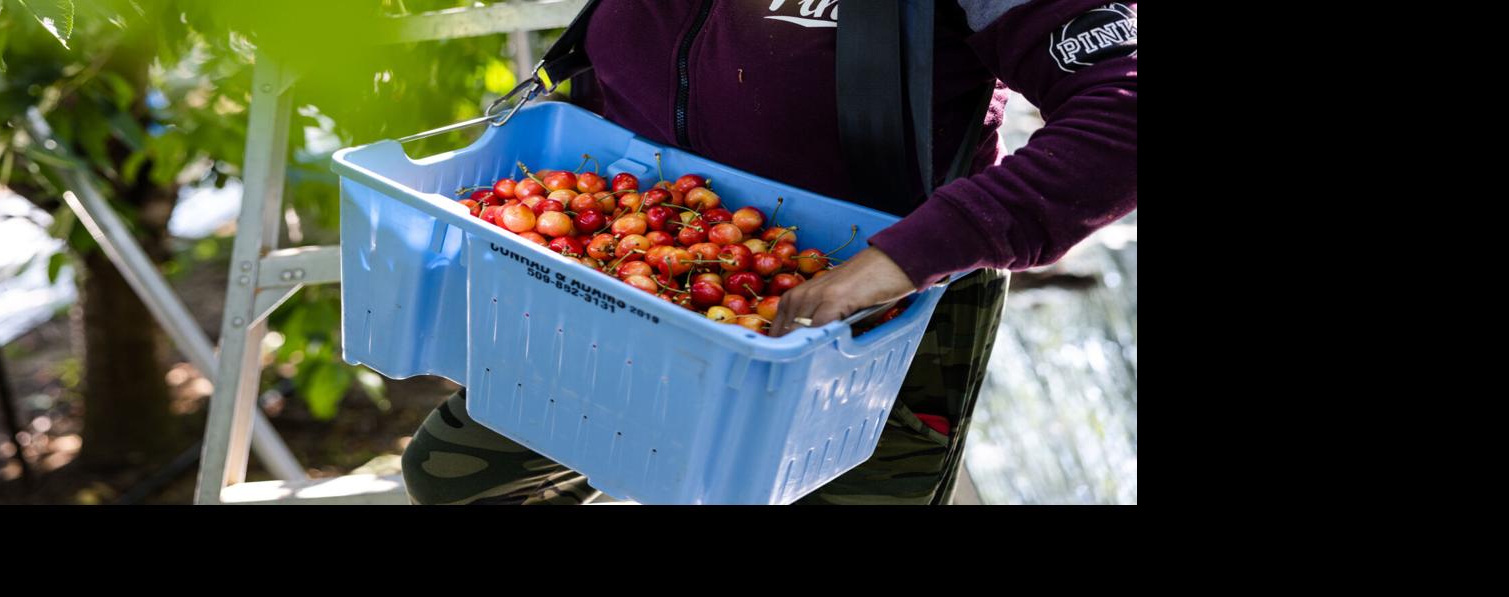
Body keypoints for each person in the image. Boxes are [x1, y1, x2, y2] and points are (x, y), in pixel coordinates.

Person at [402, 0, 1137, 505]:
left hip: (869, 317)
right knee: (464, 477)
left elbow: (1123, 113)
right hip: (641, 277)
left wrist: (904, 258)